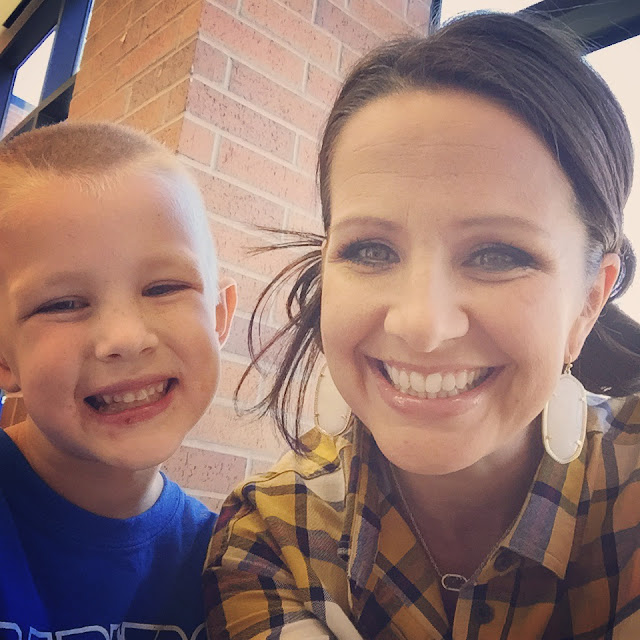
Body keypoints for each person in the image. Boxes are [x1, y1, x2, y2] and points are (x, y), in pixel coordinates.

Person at [203, 11, 640, 640]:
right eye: (370, 250)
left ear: (588, 301)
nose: (421, 326)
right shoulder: (271, 536)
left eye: (498, 255)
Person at [0, 121, 237, 637]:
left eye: (164, 287)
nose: (125, 338)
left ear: (219, 316)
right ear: (3, 357)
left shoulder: (231, 567)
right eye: (63, 303)